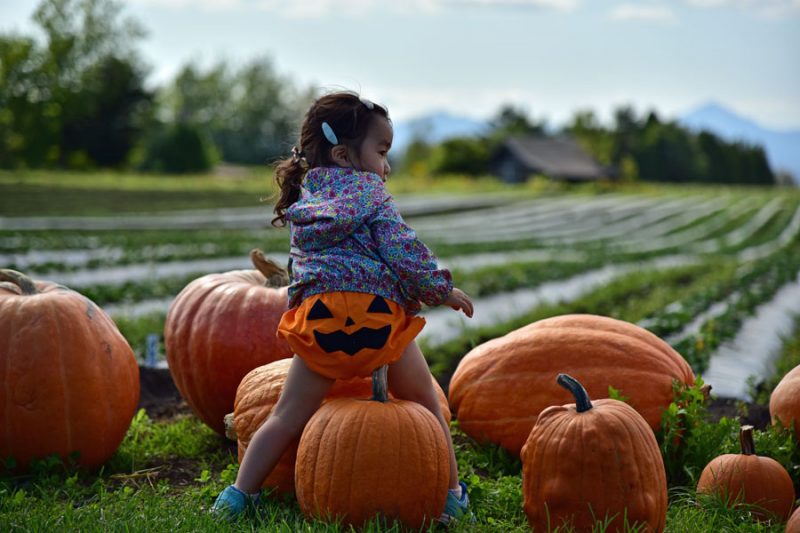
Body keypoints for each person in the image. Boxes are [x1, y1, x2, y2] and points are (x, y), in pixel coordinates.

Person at [211, 91, 474, 524]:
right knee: (427, 402)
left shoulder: (305, 203)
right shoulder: (373, 197)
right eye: (382, 152)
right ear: (344, 154)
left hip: (322, 327)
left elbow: (303, 272)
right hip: (379, 324)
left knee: (282, 416)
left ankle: (238, 496)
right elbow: (403, 250)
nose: (386, 165)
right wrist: (438, 289)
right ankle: (451, 496)